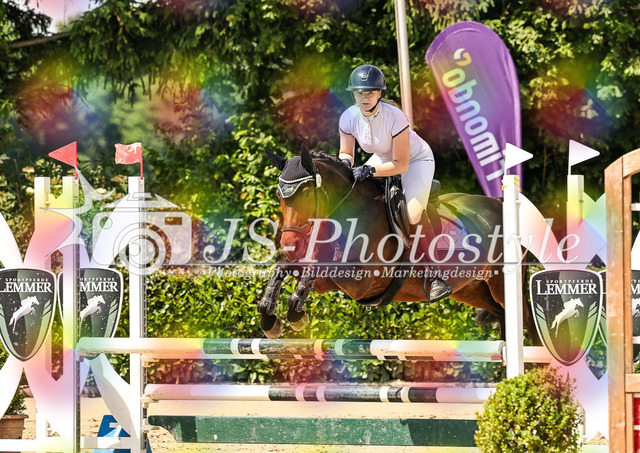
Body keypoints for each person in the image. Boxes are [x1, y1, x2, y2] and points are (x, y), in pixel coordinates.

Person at [337, 64, 451, 302]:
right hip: (382, 158)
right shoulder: (348, 117)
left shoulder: (395, 117)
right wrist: (345, 166)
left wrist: (370, 170)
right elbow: (346, 153)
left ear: (379, 93)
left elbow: (400, 164)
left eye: (370, 92)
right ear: (353, 94)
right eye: (359, 92)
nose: (364, 97)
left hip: (415, 160)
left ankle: (436, 275)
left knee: (412, 214)